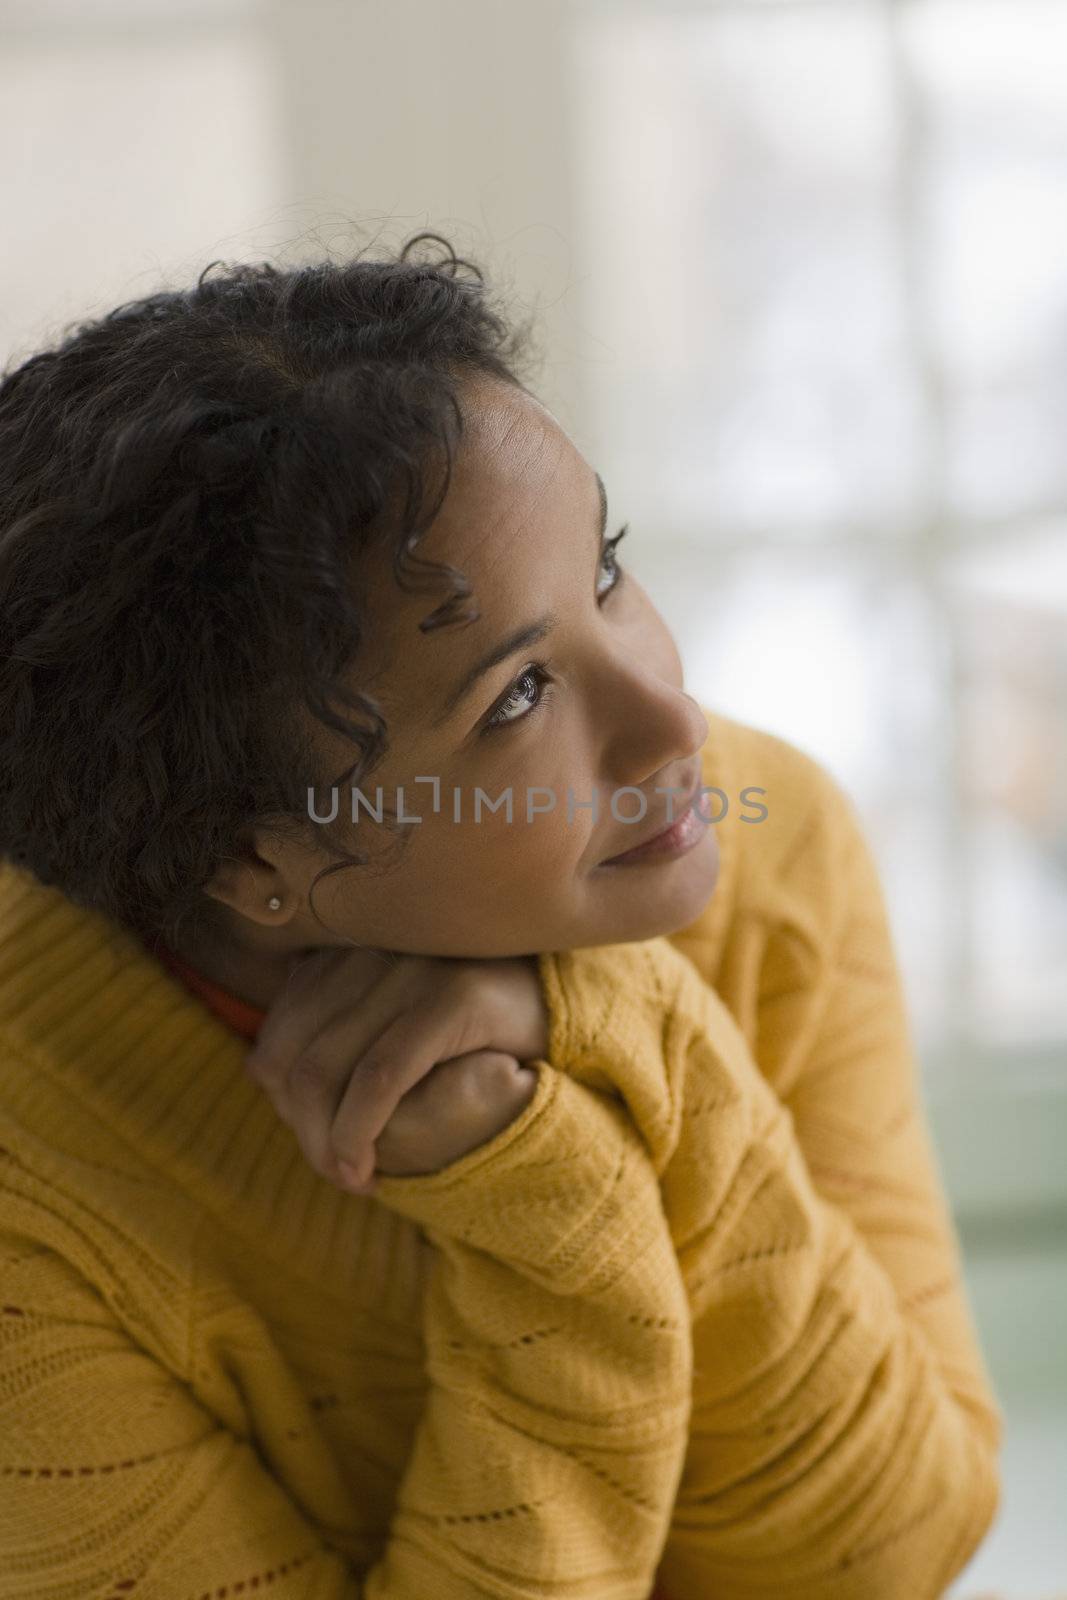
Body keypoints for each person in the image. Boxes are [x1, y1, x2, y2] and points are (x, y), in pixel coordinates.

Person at [0, 232, 1002, 1599]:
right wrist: (554, 1198)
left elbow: (894, 1547)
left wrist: (614, 1025)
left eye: (606, 569)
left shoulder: (767, 847)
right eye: (517, 699)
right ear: (255, 862)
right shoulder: (30, 1196)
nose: (674, 720)